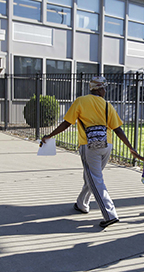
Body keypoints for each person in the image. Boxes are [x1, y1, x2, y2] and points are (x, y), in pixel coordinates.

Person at [40, 76, 137, 228]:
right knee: (91, 176)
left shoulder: (81, 101)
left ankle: (110, 214)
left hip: (89, 145)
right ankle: (82, 204)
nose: (105, 91)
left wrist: (49, 136)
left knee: (94, 178)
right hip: (107, 145)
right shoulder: (107, 105)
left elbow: (67, 123)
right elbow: (117, 129)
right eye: (104, 88)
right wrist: (130, 147)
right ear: (99, 89)